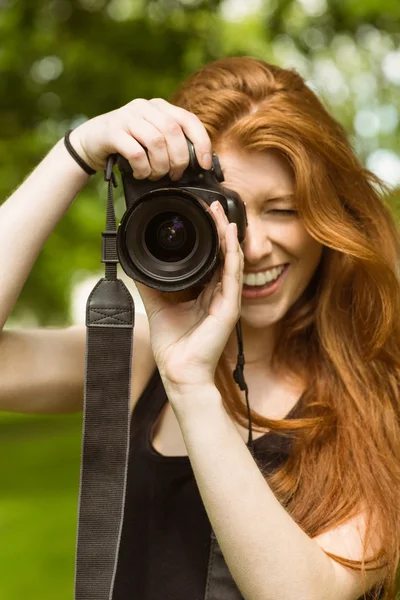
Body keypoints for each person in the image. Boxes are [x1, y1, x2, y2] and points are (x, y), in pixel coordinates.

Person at [0, 56, 398, 600]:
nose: (252, 246)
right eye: (227, 210)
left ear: (330, 216)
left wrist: (192, 388)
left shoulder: (382, 393)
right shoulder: (141, 359)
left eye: (282, 209)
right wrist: (77, 154)